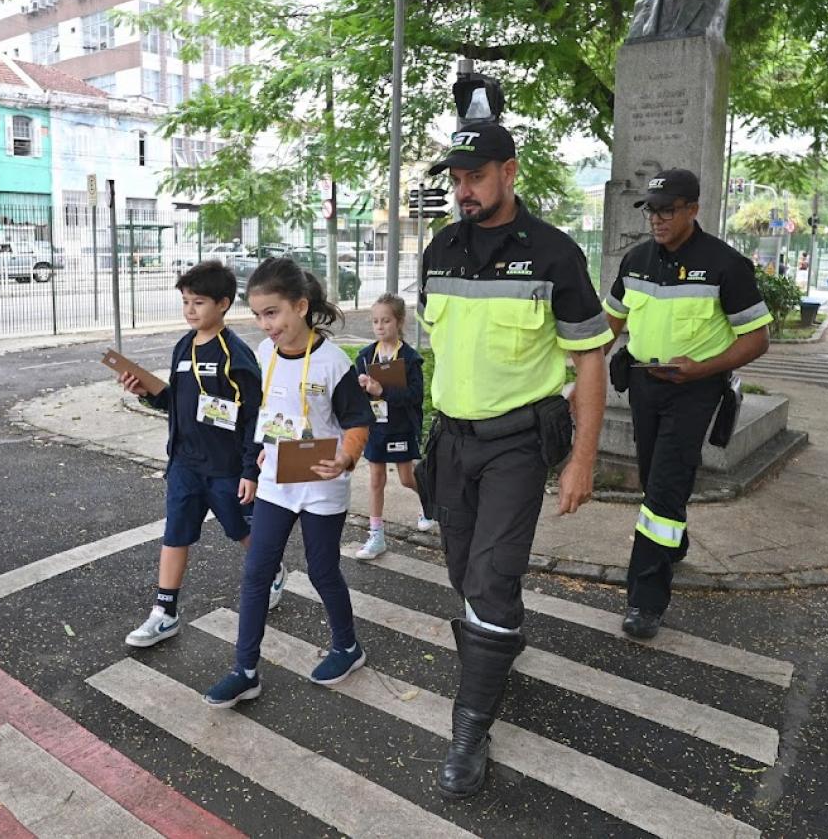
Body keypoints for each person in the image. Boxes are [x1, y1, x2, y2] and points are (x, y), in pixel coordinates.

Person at [415, 120, 613, 799]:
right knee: (466, 574)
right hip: (451, 442)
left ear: (510, 171)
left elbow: (591, 358)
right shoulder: (439, 248)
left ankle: (468, 733)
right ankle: (498, 656)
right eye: (456, 178)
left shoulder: (554, 254)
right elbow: (439, 350)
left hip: (516, 446)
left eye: (476, 175)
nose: (464, 189)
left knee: (492, 578)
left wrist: (582, 458)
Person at [603, 168, 772, 639]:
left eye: (667, 209)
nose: (657, 219)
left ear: (693, 209)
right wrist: (580, 367)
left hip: (694, 389)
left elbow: (757, 339)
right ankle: (672, 545)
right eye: (651, 210)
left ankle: (645, 600)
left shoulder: (725, 265)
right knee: (654, 475)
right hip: (643, 387)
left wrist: (703, 368)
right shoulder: (635, 260)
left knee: (663, 491)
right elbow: (609, 325)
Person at [203, 258, 376, 708]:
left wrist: (345, 457)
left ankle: (347, 647)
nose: (266, 325)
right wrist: (254, 460)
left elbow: (359, 420)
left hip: (321, 481)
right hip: (278, 480)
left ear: (300, 306)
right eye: (259, 315)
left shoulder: (333, 362)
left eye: (273, 313)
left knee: (322, 571)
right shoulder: (264, 354)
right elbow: (265, 412)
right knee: (256, 572)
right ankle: (245, 670)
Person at [118, 261, 285, 648]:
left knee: (242, 531)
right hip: (184, 466)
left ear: (224, 304)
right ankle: (165, 613)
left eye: (199, 302)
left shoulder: (236, 355)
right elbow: (176, 403)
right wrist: (145, 391)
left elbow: (253, 417)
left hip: (225, 469)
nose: (190, 310)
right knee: (175, 535)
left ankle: (273, 567)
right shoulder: (183, 346)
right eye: (186, 302)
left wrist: (250, 470)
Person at [353, 293, 432, 560]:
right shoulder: (365, 356)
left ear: (399, 322)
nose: (379, 326)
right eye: (375, 321)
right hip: (377, 427)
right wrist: (362, 388)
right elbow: (356, 398)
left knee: (407, 478)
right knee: (376, 479)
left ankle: (429, 503)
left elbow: (415, 396)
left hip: (401, 427)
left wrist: (382, 389)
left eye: (385, 320)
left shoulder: (410, 359)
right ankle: (376, 536)